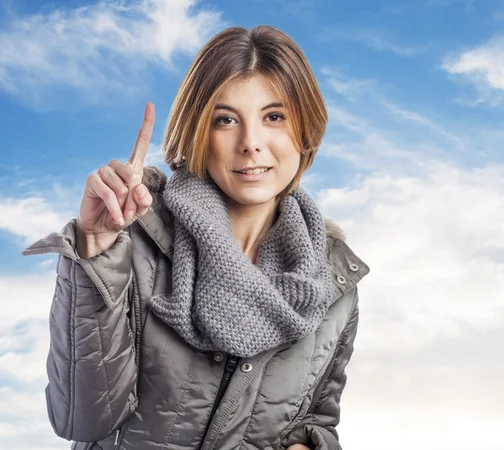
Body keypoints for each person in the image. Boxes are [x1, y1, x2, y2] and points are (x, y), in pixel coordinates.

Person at [22, 25, 369, 450]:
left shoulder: (332, 283)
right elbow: (81, 418)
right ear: (198, 132)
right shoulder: (133, 238)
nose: (251, 144)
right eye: (226, 120)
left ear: (305, 130)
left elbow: (317, 421)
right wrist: (95, 247)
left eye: (273, 117)